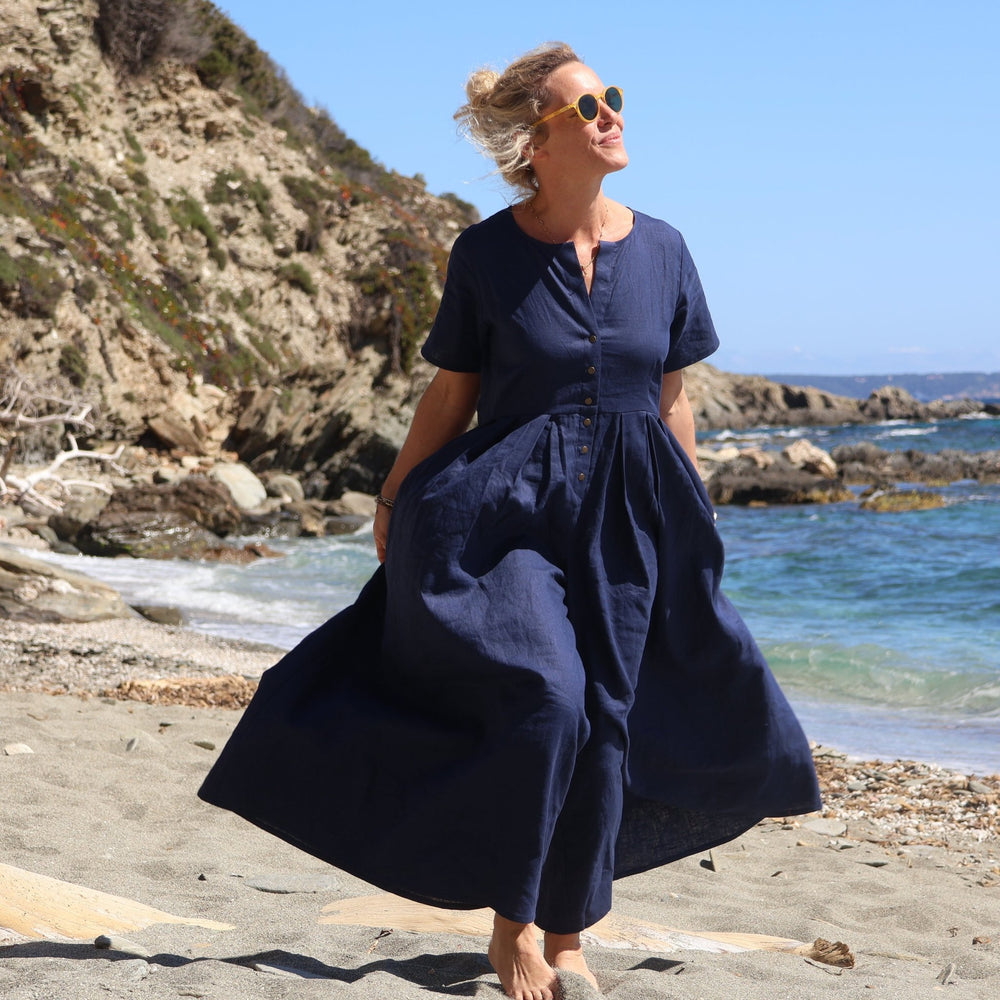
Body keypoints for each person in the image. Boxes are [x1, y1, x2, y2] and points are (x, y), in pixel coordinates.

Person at [199, 42, 821, 1000]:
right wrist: (394, 496)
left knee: (608, 717)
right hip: (505, 512)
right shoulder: (486, 255)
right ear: (537, 142)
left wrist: (694, 513)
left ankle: (569, 936)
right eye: (588, 107)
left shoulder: (664, 249)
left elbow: (673, 396)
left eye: (613, 98)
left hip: (629, 510)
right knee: (547, 698)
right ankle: (513, 929)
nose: (613, 116)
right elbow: (453, 395)